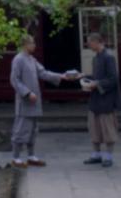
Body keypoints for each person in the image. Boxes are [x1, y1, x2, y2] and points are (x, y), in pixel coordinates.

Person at [9, 33, 78, 168]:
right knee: (21, 129)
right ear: (25, 44)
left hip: (35, 101)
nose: (34, 45)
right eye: (32, 43)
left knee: (33, 129)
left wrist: (62, 76)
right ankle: (15, 157)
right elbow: (14, 80)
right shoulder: (18, 59)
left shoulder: (31, 59)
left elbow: (44, 73)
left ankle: (31, 155)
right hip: (25, 101)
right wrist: (27, 93)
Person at [81, 32, 121, 168]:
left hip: (106, 98)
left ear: (97, 42)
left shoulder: (108, 57)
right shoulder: (96, 58)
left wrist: (97, 84)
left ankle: (108, 156)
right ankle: (96, 154)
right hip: (95, 97)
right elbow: (96, 76)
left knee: (107, 127)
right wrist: (84, 77)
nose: (88, 45)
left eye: (89, 42)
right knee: (94, 126)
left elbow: (113, 79)